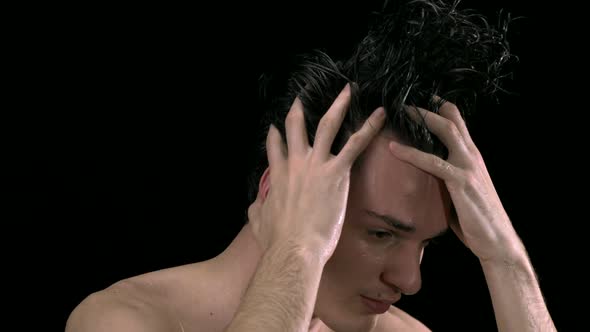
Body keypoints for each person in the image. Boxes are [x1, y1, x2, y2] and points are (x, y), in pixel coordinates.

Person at [65, 0, 557, 331]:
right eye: (382, 234)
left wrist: (506, 259)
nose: (411, 281)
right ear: (278, 192)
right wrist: (297, 249)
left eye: (425, 244)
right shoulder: (124, 320)